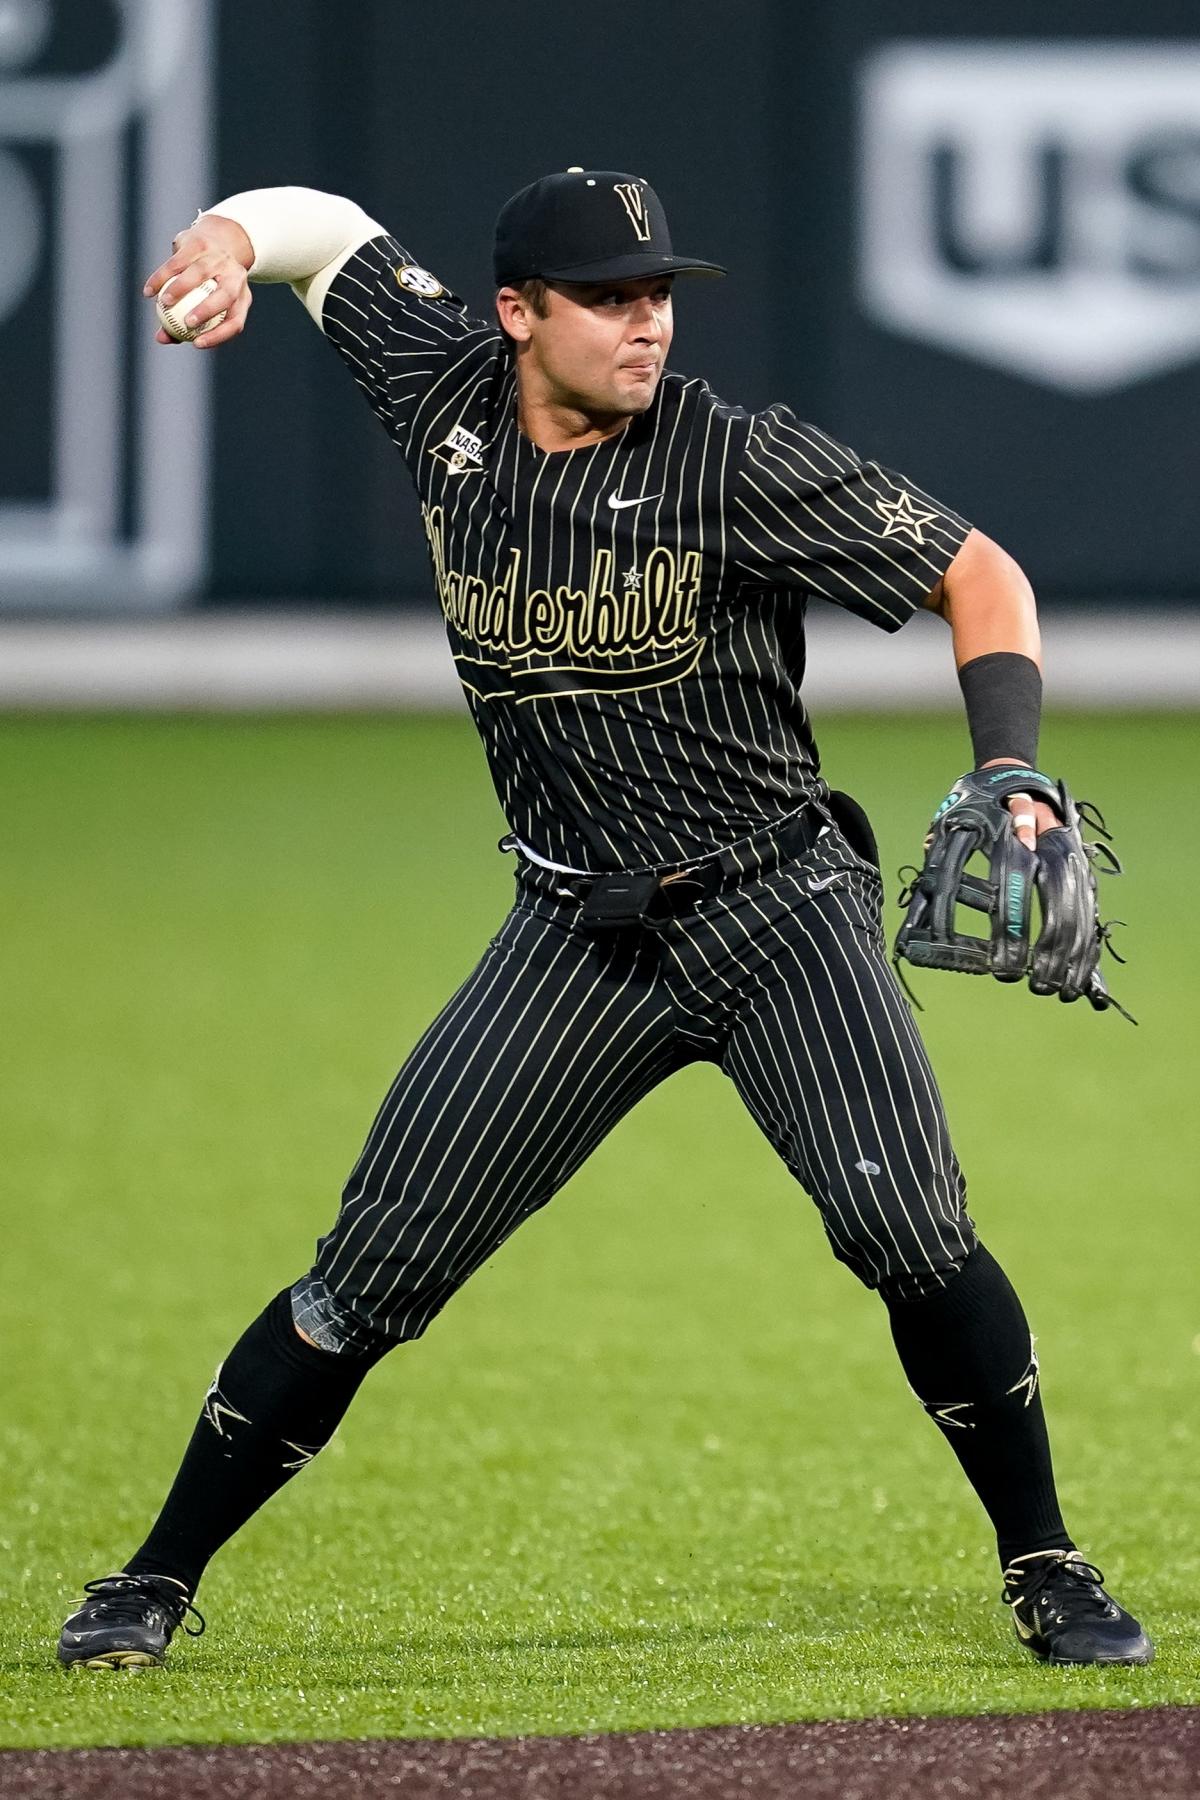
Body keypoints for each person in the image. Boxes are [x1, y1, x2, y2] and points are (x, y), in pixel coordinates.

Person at [58, 170, 1150, 1672]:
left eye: (662, 295)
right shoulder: (444, 390)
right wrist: (228, 244)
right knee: (366, 1275)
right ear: (519, 316)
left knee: (908, 1227)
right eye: (612, 298)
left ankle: (1046, 1559)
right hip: (574, 933)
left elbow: (978, 572)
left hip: (777, 910)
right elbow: (316, 227)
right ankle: (152, 1579)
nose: (649, 325)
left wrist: (1011, 762)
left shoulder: (733, 459)